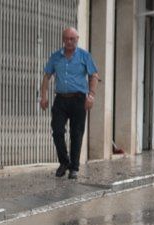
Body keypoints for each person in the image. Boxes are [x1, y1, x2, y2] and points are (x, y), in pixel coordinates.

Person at [39, 27, 100, 179]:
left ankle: (74, 167)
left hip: (79, 99)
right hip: (60, 99)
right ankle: (64, 162)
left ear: (77, 39)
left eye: (72, 39)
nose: (68, 42)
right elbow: (47, 76)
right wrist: (43, 96)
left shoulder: (84, 56)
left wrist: (91, 95)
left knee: (76, 133)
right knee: (57, 130)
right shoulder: (55, 57)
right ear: (62, 39)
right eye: (66, 39)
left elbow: (94, 75)